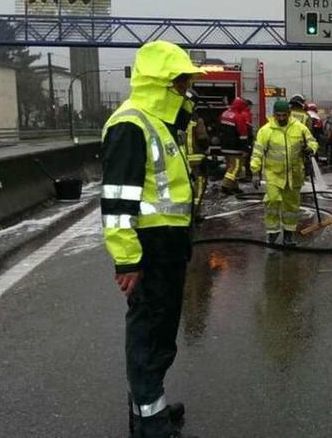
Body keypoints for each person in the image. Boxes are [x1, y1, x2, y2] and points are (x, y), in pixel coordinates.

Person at [101, 40, 204, 438]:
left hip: (168, 248)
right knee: (149, 334)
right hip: (149, 250)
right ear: (161, 82)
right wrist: (127, 258)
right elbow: (118, 200)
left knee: (162, 334)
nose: (185, 90)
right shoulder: (132, 124)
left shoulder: (159, 123)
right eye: (180, 82)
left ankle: (151, 407)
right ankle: (149, 423)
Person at [250, 99, 318, 246]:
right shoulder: (266, 131)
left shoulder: (300, 128)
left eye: (284, 115)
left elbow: (312, 141)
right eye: (278, 115)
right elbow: (257, 153)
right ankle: (272, 232)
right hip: (274, 174)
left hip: (294, 175)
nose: (281, 118)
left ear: (289, 114)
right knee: (272, 201)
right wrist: (255, 172)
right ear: (274, 115)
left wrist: (310, 149)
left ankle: (288, 234)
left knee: (291, 206)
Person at [218, 97, 252, 195]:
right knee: (236, 167)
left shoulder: (224, 114)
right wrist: (245, 148)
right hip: (235, 148)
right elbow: (243, 134)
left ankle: (234, 186)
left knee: (230, 167)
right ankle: (226, 185)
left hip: (224, 147)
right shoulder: (238, 117)